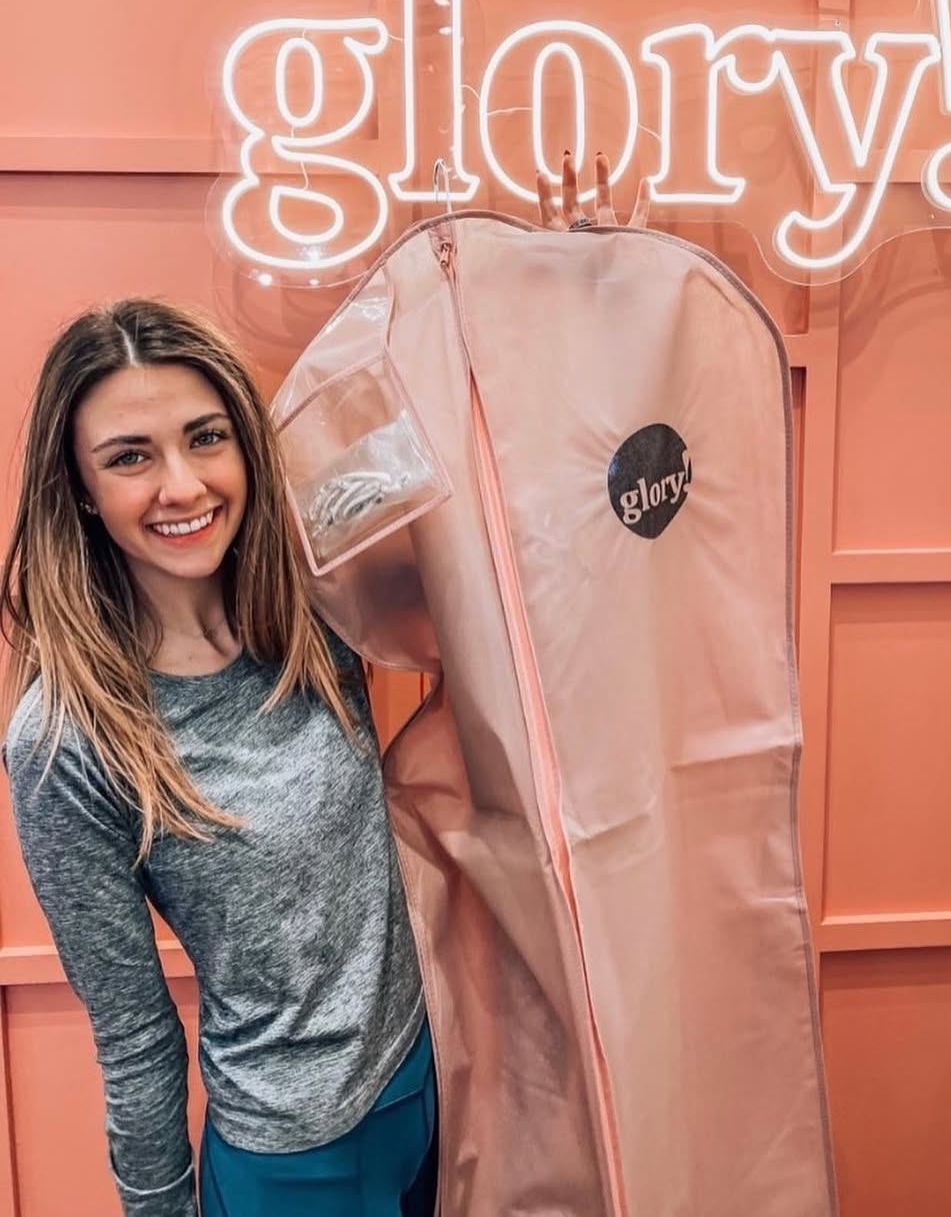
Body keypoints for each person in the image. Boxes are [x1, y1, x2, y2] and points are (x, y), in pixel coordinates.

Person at [0, 155, 645, 1217]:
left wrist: (574, 286)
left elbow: (487, 473)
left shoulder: (309, 591)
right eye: (130, 456)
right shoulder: (67, 740)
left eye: (206, 437)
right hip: (296, 1163)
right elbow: (133, 1031)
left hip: (441, 1077)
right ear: (78, 487)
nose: (181, 485)